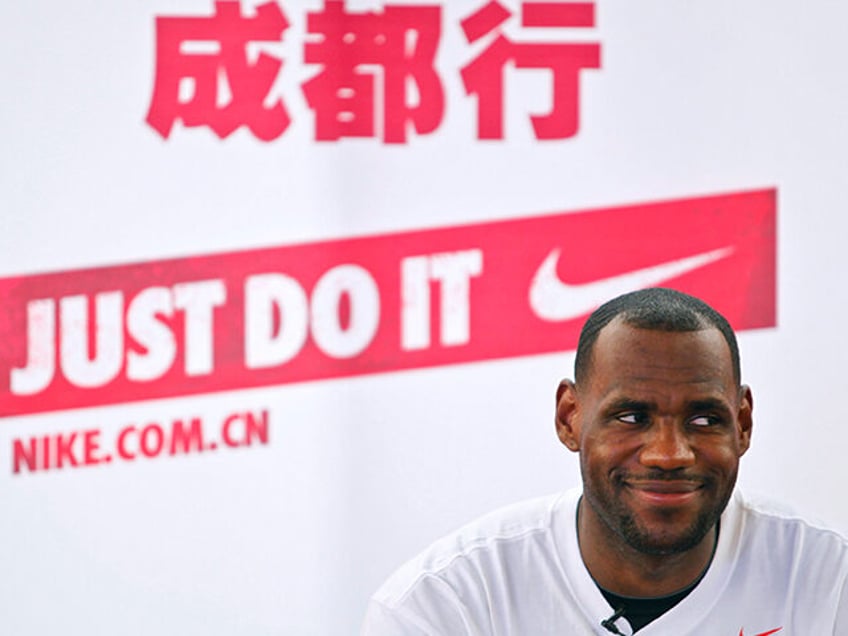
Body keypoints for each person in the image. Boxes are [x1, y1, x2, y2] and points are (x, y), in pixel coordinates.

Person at [361, 288, 848, 635]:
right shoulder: (448, 603)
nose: (668, 454)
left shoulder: (828, 582)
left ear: (742, 424)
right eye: (632, 417)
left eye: (703, 420)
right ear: (570, 417)